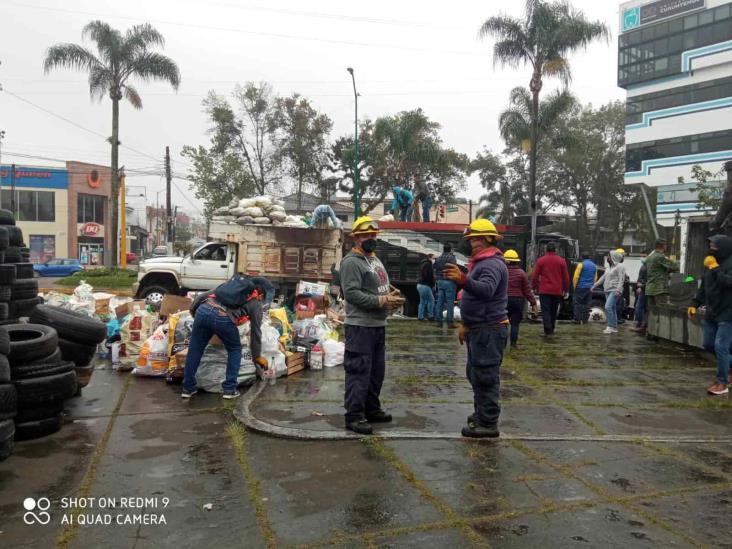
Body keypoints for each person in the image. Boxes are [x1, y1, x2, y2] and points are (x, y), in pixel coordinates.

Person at [444, 219, 508, 438]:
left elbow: (487, 290)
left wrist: (463, 279)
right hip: (480, 328)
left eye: (478, 239)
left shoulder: (491, 264)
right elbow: (476, 299)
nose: (474, 243)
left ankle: (488, 423)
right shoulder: (481, 262)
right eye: (472, 240)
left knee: (486, 375)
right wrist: (466, 324)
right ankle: (481, 414)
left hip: (488, 330)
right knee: (476, 374)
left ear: (491, 239)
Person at [340, 216, 405, 434]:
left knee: (377, 371)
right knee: (359, 371)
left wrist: (389, 294)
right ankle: (354, 415)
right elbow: (351, 293)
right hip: (360, 326)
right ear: (356, 238)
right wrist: (380, 301)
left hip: (378, 324)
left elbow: (379, 284)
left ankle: (371, 409)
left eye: (374, 235)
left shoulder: (374, 259)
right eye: (367, 235)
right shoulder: (351, 262)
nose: (371, 238)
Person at [182, 276, 269, 399]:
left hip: (202, 310)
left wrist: (193, 312)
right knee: (235, 349)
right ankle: (229, 390)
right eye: (262, 299)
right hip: (222, 317)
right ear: (259, 295)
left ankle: (187, 388)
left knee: (195, 349)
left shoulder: (228, 287)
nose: (261, 301)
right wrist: (257, 356)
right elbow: (256, 332)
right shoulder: (255, 303)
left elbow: (202, 297)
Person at [688, 235, 732, 395]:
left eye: (715, 246)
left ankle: (722, 382)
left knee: (721, 346)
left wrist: (716, 269)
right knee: (708, 344)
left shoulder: (727, 263)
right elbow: (704, 287)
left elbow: (728, 282)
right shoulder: (709, 263)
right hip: (712, 312)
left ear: (724, 247)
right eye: (710, 245)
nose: (711, 248)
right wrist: (694, 303)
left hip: (728, 312)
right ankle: (729, 367)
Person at [531, 242, 570, 337]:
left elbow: (535, 276)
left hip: (544, 290)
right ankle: (551, 328)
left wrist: (533, 287)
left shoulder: (541, 261)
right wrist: (565, 289)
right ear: (555, 250)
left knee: (545, 310)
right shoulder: (561, 261)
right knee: (553, 310)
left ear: (546, 249)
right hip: (557, 290)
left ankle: (547, 329)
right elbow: (566, 277)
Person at [641, 239, 679, 335]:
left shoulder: (650, 257)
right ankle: (661, 334)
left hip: (650, 288)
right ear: (663, 246)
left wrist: (666, 270)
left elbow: (657, 270)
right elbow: (675, 267)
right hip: (659, 289)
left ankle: (650, 333)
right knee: (662, 312)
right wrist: (670, 262)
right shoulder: (660, 257)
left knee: (652, 312)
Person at [504, 249, 537, 348]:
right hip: (518, 301)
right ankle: (513, 345)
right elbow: (527, 290)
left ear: (507, 261)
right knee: (515, 323)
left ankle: (503, 344)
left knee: (503, 323)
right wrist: (533, 303)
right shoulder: (521, 273)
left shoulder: (502, 272)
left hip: (504, 300)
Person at [592, 250, 626, 335]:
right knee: (612, 308)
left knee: (607, 307)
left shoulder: (620, 266)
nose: (608, 258)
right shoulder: (608, 268)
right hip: (607, 290)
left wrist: (618, 290)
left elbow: (621, 279)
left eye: (609, 256)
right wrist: (594, 286)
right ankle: (614, 327)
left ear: (613, 257)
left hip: (614, 290)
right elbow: (602, 278)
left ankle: (610, 326)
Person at [434, 243, 458, 328]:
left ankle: (439, 322)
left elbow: (435, 268)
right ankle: (450, 323)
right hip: (449, 281)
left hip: (440, 281)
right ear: (451, 249)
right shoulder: (452, 257)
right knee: (450, 303)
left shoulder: (438, 258)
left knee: (439, 302)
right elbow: (454, 269)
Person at [572, 251, 597, 324]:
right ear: (589, 257)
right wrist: (592, 286)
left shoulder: (581, 265)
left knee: (577, 303)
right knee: (587, 304)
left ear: (582, 257)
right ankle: (585, 320)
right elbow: (595, 278)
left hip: (580, 287)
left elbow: (576, 277)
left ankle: (577, 319)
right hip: (589, 288)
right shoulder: (594, 265)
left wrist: (574, 287)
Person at [633, 253, 649, 331]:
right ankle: (641, 324)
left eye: (644, 256)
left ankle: (642, 325)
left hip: (646, 290)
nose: (642, 258)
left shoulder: (648, 267)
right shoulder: (643, 266)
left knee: (640, 307)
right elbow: (640, 278)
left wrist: (641, 286)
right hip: (643, 290)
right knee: (641, 308)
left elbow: (649, 280)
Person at [417, 254, 435, 321]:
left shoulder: (423, 263)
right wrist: (432, 284)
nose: (434, 260)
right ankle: (430, 316)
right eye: (434, 258)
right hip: (425, 285)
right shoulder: (428, 264)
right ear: (430, 258)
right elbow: (429, 275)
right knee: (431, 300)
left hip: (420, 284)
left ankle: (420, 317)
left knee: (422, 301)